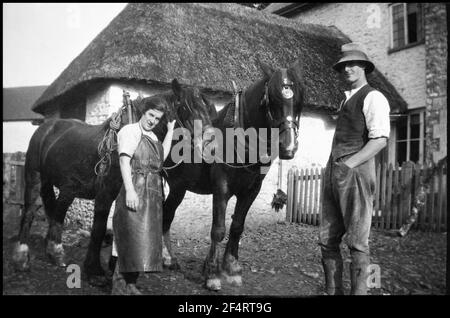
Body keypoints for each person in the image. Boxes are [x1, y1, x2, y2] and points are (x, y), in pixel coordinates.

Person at [319, 43, 390, 295]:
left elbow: (380, 139)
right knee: (327, 239)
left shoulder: (373, 96)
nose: (347, 69)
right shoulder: (345, 99)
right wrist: (334, 169)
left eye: (353, 64)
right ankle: (333, 291)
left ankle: (362, 292)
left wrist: (349, 164)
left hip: (355, 174)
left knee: (358, 243)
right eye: (343, 66)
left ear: (364, 67)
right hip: (333, 173)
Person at [111, 95, 175, 295]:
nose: (152, 121)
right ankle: (119, 286)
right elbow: (124, 162)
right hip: (136, 189)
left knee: (144, 240)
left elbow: (161, 156)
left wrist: (171, 131)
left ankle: (131, 285)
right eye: (150, 115)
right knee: (128, 237)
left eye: (157, 119)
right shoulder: (130, 131)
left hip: (152, 194)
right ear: (143, 112)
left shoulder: (154, 137)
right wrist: (130, 190)